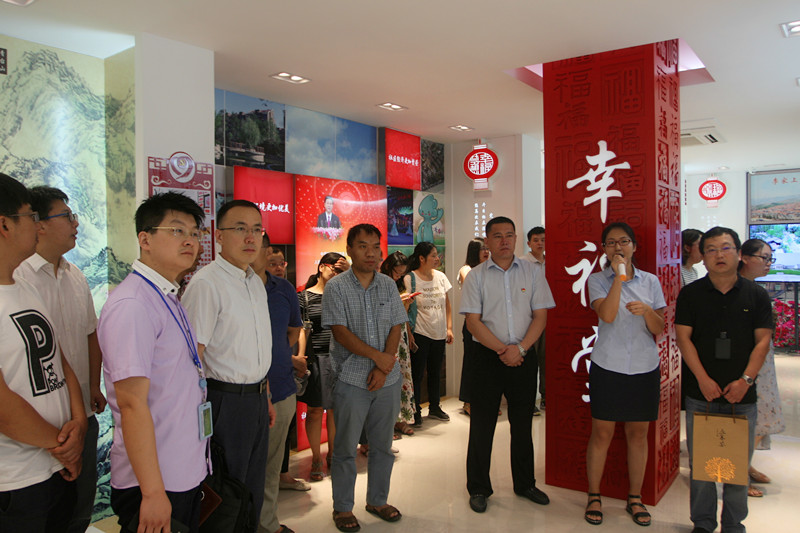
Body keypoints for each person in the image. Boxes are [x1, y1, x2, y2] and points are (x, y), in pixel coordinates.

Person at [97, 191, 208, 532]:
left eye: (194, 233)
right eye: (177, 231)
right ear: (145, 239)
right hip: (156, 480)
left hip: (181, 467)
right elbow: (131, 404)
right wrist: (153, 492)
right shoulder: (133, 304)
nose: (189, 241)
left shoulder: (168, 295)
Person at [15, 186, 106, 533]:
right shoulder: (19, 278)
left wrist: (93, 385)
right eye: (66, 216)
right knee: (45, 510)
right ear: (38, 224)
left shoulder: (75, 275)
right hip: (42, 421)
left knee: (80, 504)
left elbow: (90, 334)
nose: (75, 223)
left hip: (83, 413)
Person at [182, 199, 276, 532]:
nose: (250, 237)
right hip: (224, 402)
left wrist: (264, 394)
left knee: (251, 488)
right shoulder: (207, 284)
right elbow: (191, 358)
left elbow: (253, 347)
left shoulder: (254, 282)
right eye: (240, 229)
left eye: (257, 230)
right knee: (226, 492)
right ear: (218, 235)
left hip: (255, 399)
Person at [0, 173, 86, 533]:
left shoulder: (24, 286)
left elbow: (59, 361)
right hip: (15, 479)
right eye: (29, 216)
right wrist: (63, 445)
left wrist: (79, 423)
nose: (36, 225)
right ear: (5, 225)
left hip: (55, 467)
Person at [676, 227, 772, 533]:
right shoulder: (691, 294)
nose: (719, 254)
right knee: (702, 466)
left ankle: (733, 524)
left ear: (739, 254)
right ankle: (703, 524)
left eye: (726, 247)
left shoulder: (756, 295)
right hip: (701, 393)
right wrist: (702, 379)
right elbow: (683, 338)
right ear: (703, 257)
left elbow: (763, 341)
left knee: (736, 466)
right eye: (712, 249)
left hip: (741, 395)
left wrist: (746, 380)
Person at [460, 216, 554, 514]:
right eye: (498, 236)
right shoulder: (476, 276)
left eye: (509, 235)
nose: (504, 241)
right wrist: (503, 349)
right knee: (482, 425)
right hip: (487, 358)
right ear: (487, 241)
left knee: (523, 424)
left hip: (524, 356)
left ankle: (525, 484)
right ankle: (478, 488)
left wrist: (520, 349)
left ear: (516, 239)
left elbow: (541, 316)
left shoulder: (533, 272)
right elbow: (473, 322)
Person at [323, 223, 408, 532]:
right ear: (349, 249)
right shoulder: (336, 287)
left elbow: (397, 324)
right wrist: (378, 358)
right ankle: (343, 507)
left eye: (375, 247)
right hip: (351, 379)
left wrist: (384, 366)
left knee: (382, 446)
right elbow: (340, 332)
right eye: (363, 246)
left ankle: (377, 500)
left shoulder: (387, 284)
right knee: (345, 448)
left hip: (387, 379)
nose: (370, 253)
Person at [583, 222, 666, 527]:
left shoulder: (651, 281)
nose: (618, 247)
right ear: (604, 249)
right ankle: (594, 495)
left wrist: (648, 311)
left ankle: (635, 498)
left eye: (624, 241)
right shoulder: (597, 280)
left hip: (644, 366)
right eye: (611, 243)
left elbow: (659, 327)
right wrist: (619, 276)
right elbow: (606, 314)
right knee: (602, 433)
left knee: (638, 435)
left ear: (634, 246)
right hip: (608, 365)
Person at [251, 234, 303, 533]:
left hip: (281, 388)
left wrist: (279, 354)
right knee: (240, 467)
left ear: (267, 250)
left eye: (256, 238)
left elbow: (294, 329)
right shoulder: (226, 287)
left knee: (271, 466)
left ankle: (267, 524)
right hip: (240, 394)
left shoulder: (283, 289)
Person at [738, 238, 785, 498]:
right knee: (752, 418)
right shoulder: (737, 289)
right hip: (748, 364)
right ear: (744, 258)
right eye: (764, 258)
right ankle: (739, 473)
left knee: (761, 415)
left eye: (770, 258)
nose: (768, 263)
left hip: (762, 360)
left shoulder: (755, 289)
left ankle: (745, 466)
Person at [297, 251, 349, 481]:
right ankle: (316, 457)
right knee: (316, 410)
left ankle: (334, 454)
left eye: (341, 271)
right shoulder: (304, 297)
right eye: (335, 269)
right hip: (317, 357)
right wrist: (300, 357)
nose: (337, 274)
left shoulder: (343, 295)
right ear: (322, 267)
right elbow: (300, 329)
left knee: (336, 410)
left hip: (341, 357)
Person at [404, 241, 453, 426]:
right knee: (417, 374)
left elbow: (446, 304)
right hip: (420, 332)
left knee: (435, 372)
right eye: (433, 255)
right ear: (422, 258)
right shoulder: (410, 278)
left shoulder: (441, 277)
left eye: (436, 255)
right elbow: (406, 307)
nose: (436, 258)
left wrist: (449, 328)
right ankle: (415, 411)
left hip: (439, 333)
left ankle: (435, 407)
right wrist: (409, 333)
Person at [380, 251, 416, 436]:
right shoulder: (379, 283)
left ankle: (400, 419)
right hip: (385, 334)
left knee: (402, 376)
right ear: (388, 266)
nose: (399, 276)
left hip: (400, 334)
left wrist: (409, 334)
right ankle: (386, 423)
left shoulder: (398, 284)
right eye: (397, 272)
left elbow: (402, 315)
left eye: (402, 274)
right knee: (387, 377)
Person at [457, 238, 490, 415]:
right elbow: (473, 286)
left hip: (489, 323)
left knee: (485, 363)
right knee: (471, 361)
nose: (486, 252)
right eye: (482, 249)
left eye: (487, 248)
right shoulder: (467, 269)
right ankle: (468, 401)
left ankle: (483, 400)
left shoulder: (489, 269)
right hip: (472, 322)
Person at [521, 226, 547, 414]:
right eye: (536, 240)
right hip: (529, 318)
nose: (540, 243)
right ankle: (528, 401)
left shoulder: (552, 261)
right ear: (529, 243)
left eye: (543, 240)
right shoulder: (523, 263)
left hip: (548, 316)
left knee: (546, 359)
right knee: (529, 361)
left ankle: (545, 397)